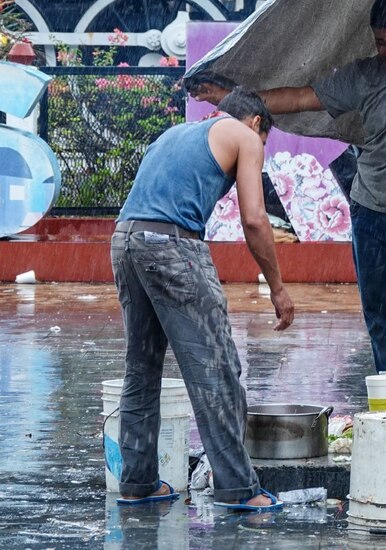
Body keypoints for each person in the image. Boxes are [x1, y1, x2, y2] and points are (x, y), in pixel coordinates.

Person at [195, 0, 386, 406]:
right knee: (382, 316)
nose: (385, 52)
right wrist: (234, 98)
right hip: (375, 212)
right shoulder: (365, 74)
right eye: (380, 43)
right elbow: (301, 98)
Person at [112, 90, 291, 511]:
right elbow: (254, 219)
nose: (260, 149)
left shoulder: (175, 133)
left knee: (141, 368)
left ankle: (137, 482)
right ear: (256, 123)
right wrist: (278, 288)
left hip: (124, 240)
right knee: (217, 367)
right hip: (172, 246)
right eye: (264, 141)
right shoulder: (245, 136)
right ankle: (238, 488)